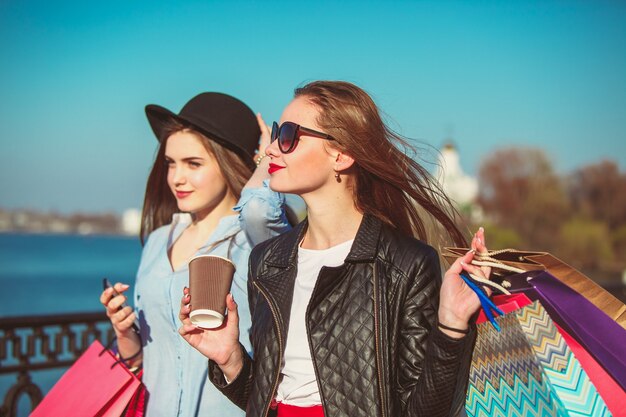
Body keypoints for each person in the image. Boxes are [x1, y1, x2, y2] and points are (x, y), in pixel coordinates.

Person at [179, 81, 491, 417]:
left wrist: (452, 324)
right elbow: (266, 401)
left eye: (286, 135)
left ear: (341, 154)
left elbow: (424, 412)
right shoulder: (267, 261)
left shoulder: (406, 263)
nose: (270, 149)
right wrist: (230, 358)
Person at [100, 92, 290, 417]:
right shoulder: (158, 241)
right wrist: (124, 332)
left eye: (194, 163)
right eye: (170, 163)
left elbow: (259, 209)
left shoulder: (257, 242)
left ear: (231, 163)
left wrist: (264, 157)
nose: (177, 178)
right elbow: (145, 361)